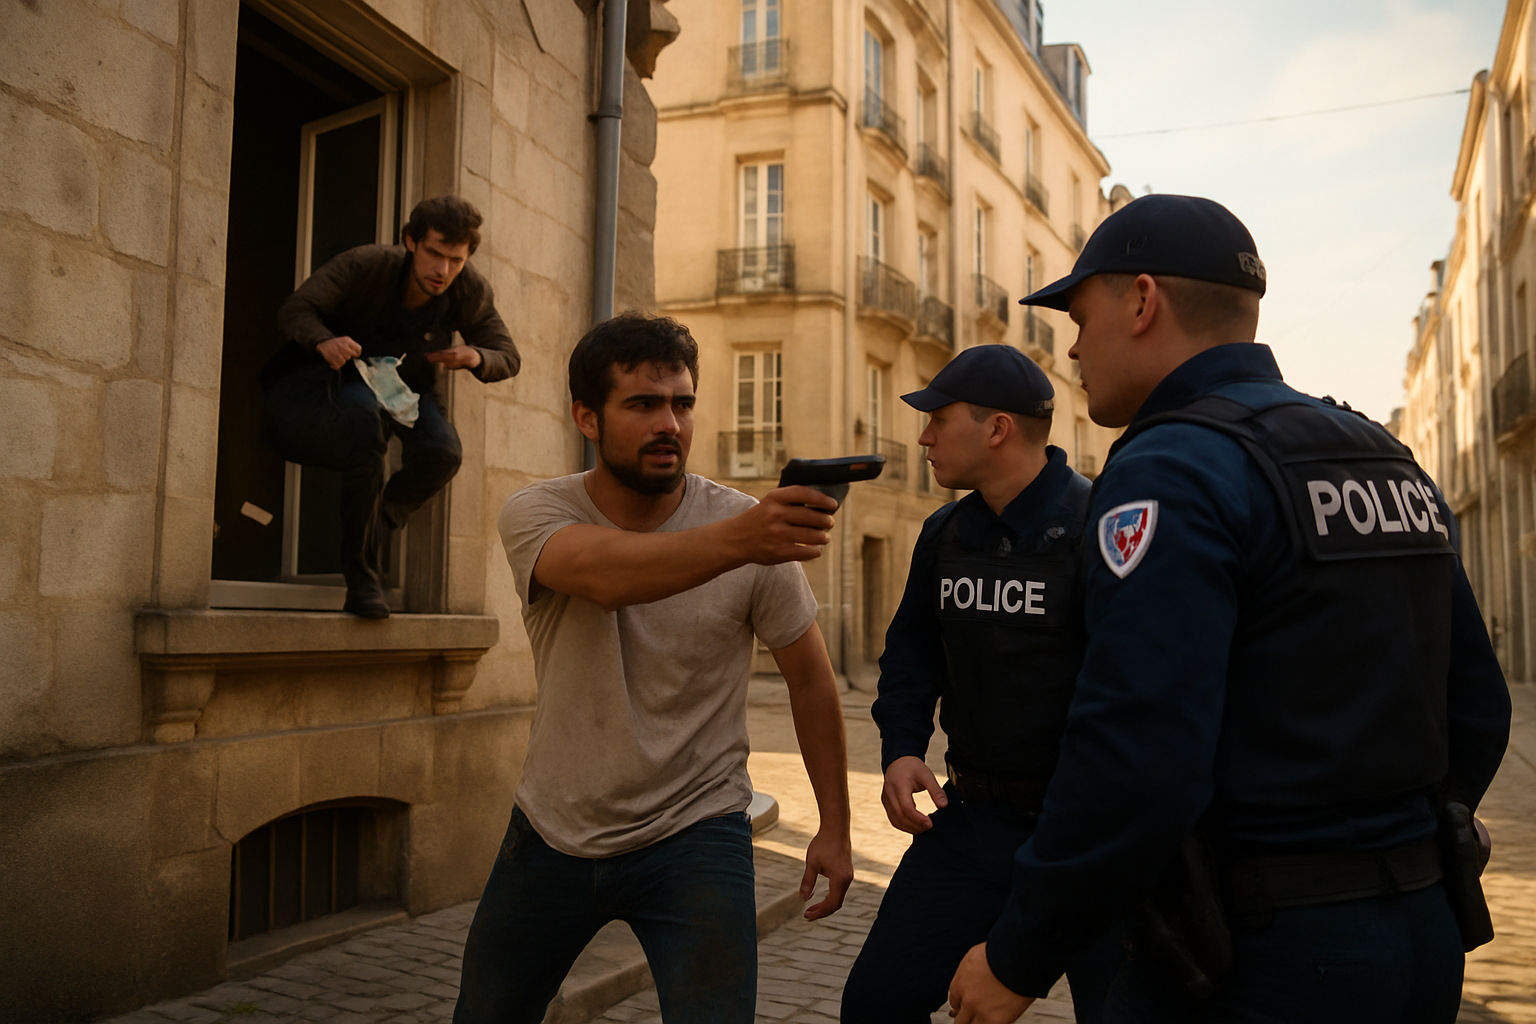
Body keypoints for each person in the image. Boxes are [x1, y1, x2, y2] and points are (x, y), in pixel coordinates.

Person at [945, 194, 1513, 1024]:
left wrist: (1020, 950)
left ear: (1142, 302)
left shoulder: (1174, 466)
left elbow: (1136, 753)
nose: (1071, 346)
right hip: (1421, 935)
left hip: (1262, 954)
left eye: (1080, 313)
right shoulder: (1379, 454)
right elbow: (1477, 703)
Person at [452, 312, 854, 1024]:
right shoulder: (538, 512)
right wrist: (746, 539)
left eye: (682, 403)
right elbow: (606, 576)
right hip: (553, 829)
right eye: (642, 404)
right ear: (588, 417)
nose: (669, 422)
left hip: (697, 833)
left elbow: (812, 680)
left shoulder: (748, 531)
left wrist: (835, 826)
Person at [840, 344, 1121, 1023]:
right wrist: (902, 750)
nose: (924, 435)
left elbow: (1129, 699)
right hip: (967, 822)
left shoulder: (1099, 529)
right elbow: (909, 657)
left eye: (938, 418)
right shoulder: (944, 533)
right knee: (875, 1002)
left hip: (1086, 836)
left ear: (997, 428)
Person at [262, 195, 521, 618]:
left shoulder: (469, 290)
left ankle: (378, 523)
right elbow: (297, 308)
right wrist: (323, 340)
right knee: (366, 429)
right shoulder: (365, 265)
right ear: (411, 242)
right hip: (343, 375)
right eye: (435, 254)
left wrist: (475, 356)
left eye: (455, 260)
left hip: (407, 386)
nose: (442, 271)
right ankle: (362, 578)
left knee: (444, 453)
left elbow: (506, 354)